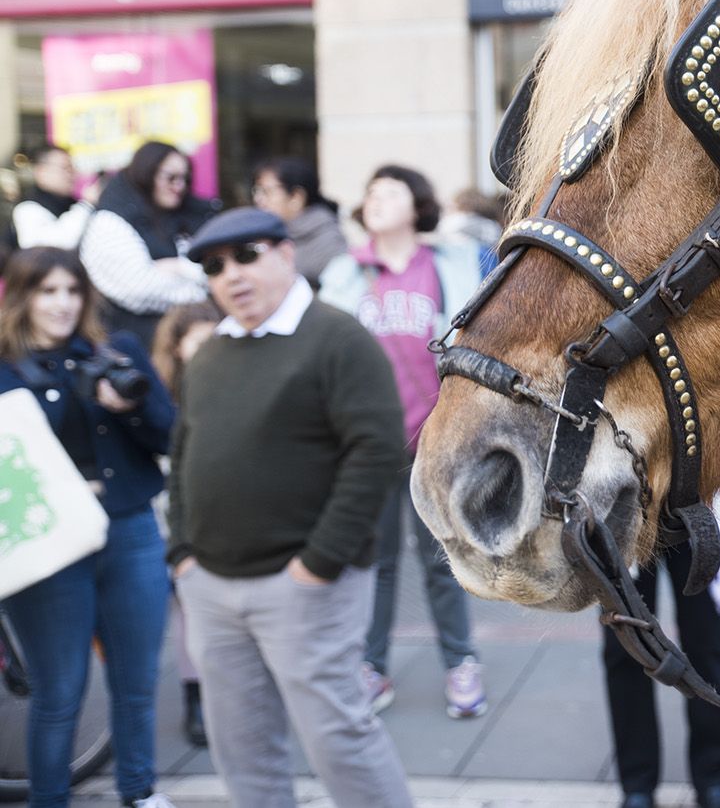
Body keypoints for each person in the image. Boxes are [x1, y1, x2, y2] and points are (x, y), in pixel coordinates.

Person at [165, 207, 413, 808]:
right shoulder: (210, 353)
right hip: (212, 586)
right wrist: (181, 555)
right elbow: (184, 453)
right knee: (240, 747)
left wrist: (318, 564)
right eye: (214, 267)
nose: (231, 275)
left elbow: (376, 453)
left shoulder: (339, 337)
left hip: (305, 586)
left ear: (284, 253)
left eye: (245, 256)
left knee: (340, 740)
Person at [0, 247, 177, 808]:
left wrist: (125, 407)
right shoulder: (4, 369)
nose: (62, 304)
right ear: (22, 296)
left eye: (72, 291)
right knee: (59, 691)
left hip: (129, 529)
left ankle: (139, 793)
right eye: (47, 291)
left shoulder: (115, 352)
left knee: (137, 683)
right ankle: (49, 801)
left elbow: (170, 436)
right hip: (48, 544)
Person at [320, 165, 491, 719]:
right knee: (376, 561)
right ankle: (372, 667)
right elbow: (327, 358)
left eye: (388, 191)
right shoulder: (346, 274)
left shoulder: (450, 264)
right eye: (369, 193)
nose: (375, 199)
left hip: (435, 440)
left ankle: (461, 663)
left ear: (417, 205)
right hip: (368, 445)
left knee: (442, 558)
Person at [600, 483, 720, 808]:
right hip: (625, 502)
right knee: (626, 649)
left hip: (695, 499)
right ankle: (636, 784)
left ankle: (714, 778)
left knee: (708, 644)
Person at [149, 299, 224, 750]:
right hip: (170, 510)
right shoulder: (160, 394)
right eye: (199, 342)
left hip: (219, 513)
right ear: (176, 349)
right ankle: (195, 696)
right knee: (186, 609)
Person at [79, 142, 214, 348]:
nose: (179, 186)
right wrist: (201, 285)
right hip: (135, 345)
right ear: (147, 173)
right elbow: (141, 288)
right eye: (170, 178)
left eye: (185, 178)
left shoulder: (187, 216)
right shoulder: (109, 220)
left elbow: (217, 271)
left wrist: (179, 267)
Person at [251, 156, 347, 288]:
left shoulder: (328, 241)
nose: (258, 199)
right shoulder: (264, 236)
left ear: (296, 197)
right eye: (256, 191)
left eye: (266, 191)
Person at [10, 145, 93, 250]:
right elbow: (50, 247)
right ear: (41, 172)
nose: (73, 174)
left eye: (73, 168)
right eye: (66, 168)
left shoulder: (72, 203)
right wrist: (86, 205)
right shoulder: (27, 209)